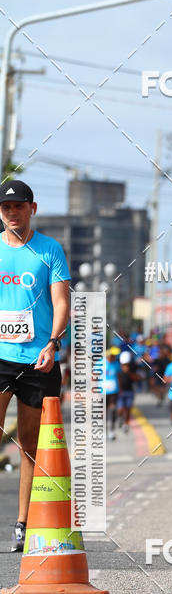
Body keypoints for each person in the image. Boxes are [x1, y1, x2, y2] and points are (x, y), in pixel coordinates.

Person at [0, 180, 70, 552]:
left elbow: (61, 302)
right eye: (6, 208)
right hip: (0, 356)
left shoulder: (49, 250)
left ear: (32, 209)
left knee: (30, 445)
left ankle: (23, 523)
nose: (12, 213)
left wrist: (54, 341)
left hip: (37, 360)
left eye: (19, 207)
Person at [104, 347, 121, 440]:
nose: (113, 357)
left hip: (114, 391)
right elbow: (94, 376)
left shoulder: (116, 364)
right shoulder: (100, 363)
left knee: (113, 409)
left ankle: (112, 430)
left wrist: (120, 389)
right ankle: (103, 431)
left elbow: (119, 376)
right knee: (103, 412)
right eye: (112, 356)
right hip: (102, 391)